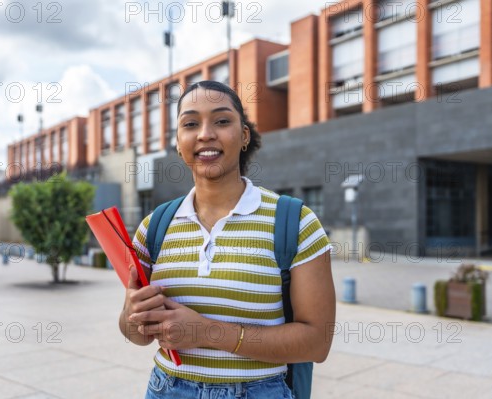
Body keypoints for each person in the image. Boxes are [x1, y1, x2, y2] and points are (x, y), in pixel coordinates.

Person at [119, 80, 335, 399]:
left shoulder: (295, 222)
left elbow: (317, 343)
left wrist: (207, 332)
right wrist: (132, 316)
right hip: (168, 389)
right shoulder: (153, 227)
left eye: (222, 121)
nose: (206, 133)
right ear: (179, 142)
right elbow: (134, 334)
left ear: (244, 135)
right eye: (191, 124)